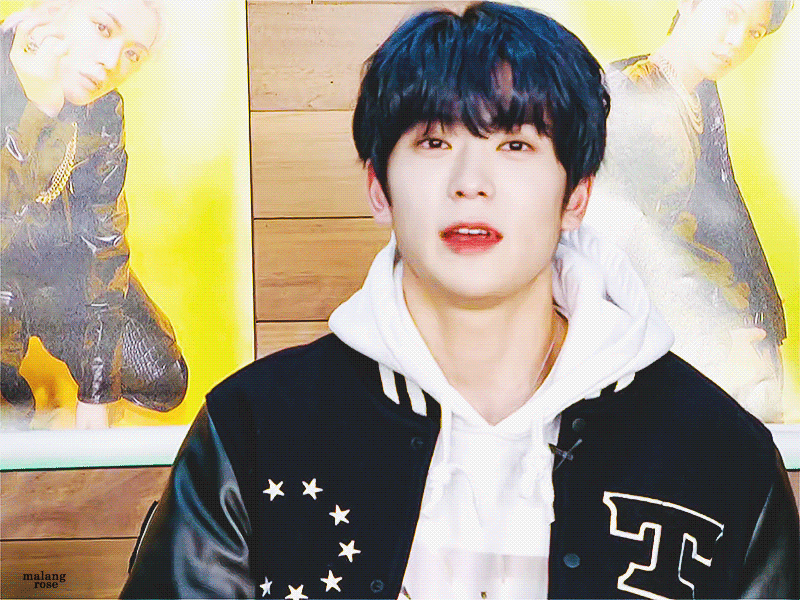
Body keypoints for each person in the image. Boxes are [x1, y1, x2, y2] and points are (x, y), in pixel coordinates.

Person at [121, 3, 799, 598]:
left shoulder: (722, 456)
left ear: (578, 195)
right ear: (378, 186)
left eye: (515, 144)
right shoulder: (253, 430)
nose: (471, 181)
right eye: (435, 142)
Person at [585, 0, 792, 422]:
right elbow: (622, 249)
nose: (736, 41)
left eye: (754, 32)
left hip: (721, 349)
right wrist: (711, 344)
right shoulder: (630, 97)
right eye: (731, 14)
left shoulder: (699, 94)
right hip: (681, 357)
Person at [1, 0, 188, 429]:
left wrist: (98, 391)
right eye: (103, 28)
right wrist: (39, 110)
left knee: (165, 380)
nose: (111, 62)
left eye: (133, 54)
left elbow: (104, 244)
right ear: (56, 8)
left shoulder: (102, 111)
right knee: (11, 418)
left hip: (55, 275)